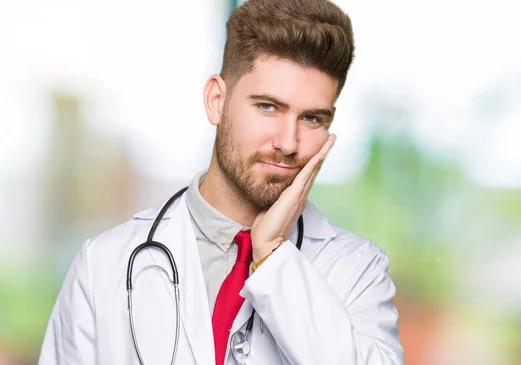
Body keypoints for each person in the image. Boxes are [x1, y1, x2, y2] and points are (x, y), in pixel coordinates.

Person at [38, 0, 405, 364]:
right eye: (267, 107)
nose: (288, 143)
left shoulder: (358, 271)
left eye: (311, 118)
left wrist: (273, 255)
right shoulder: (103, 266)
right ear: (217, 100)